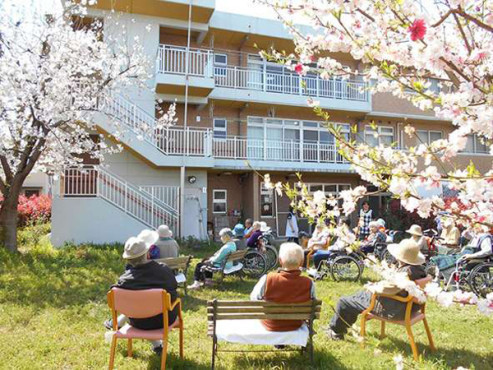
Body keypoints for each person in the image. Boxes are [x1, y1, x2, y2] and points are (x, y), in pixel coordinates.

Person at [326, 239, 426, 340]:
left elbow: (389, 288)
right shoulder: (418, 270)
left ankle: (336, 332)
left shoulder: (405, 273)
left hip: (394, 308)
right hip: (408, 307)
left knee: (344, 302)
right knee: (357, 296)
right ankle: (343, 325)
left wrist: (372, 287)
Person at [104, 236, 179, 354]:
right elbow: (173, 292)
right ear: (148, 254)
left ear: (128, 260)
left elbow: (114, 294)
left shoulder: (124, 281)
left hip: (138, 322)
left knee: (138, 306)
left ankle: (156, 344)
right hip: (164, 320)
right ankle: (157, 345)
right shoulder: (164, 270)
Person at [250, 242, 315, 331]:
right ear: (301, 262)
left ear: (280, 261)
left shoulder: (267, 279)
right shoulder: (309, 283)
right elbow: (313, 304)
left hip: (271, 323)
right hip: (295, 324)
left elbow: (254, 298)